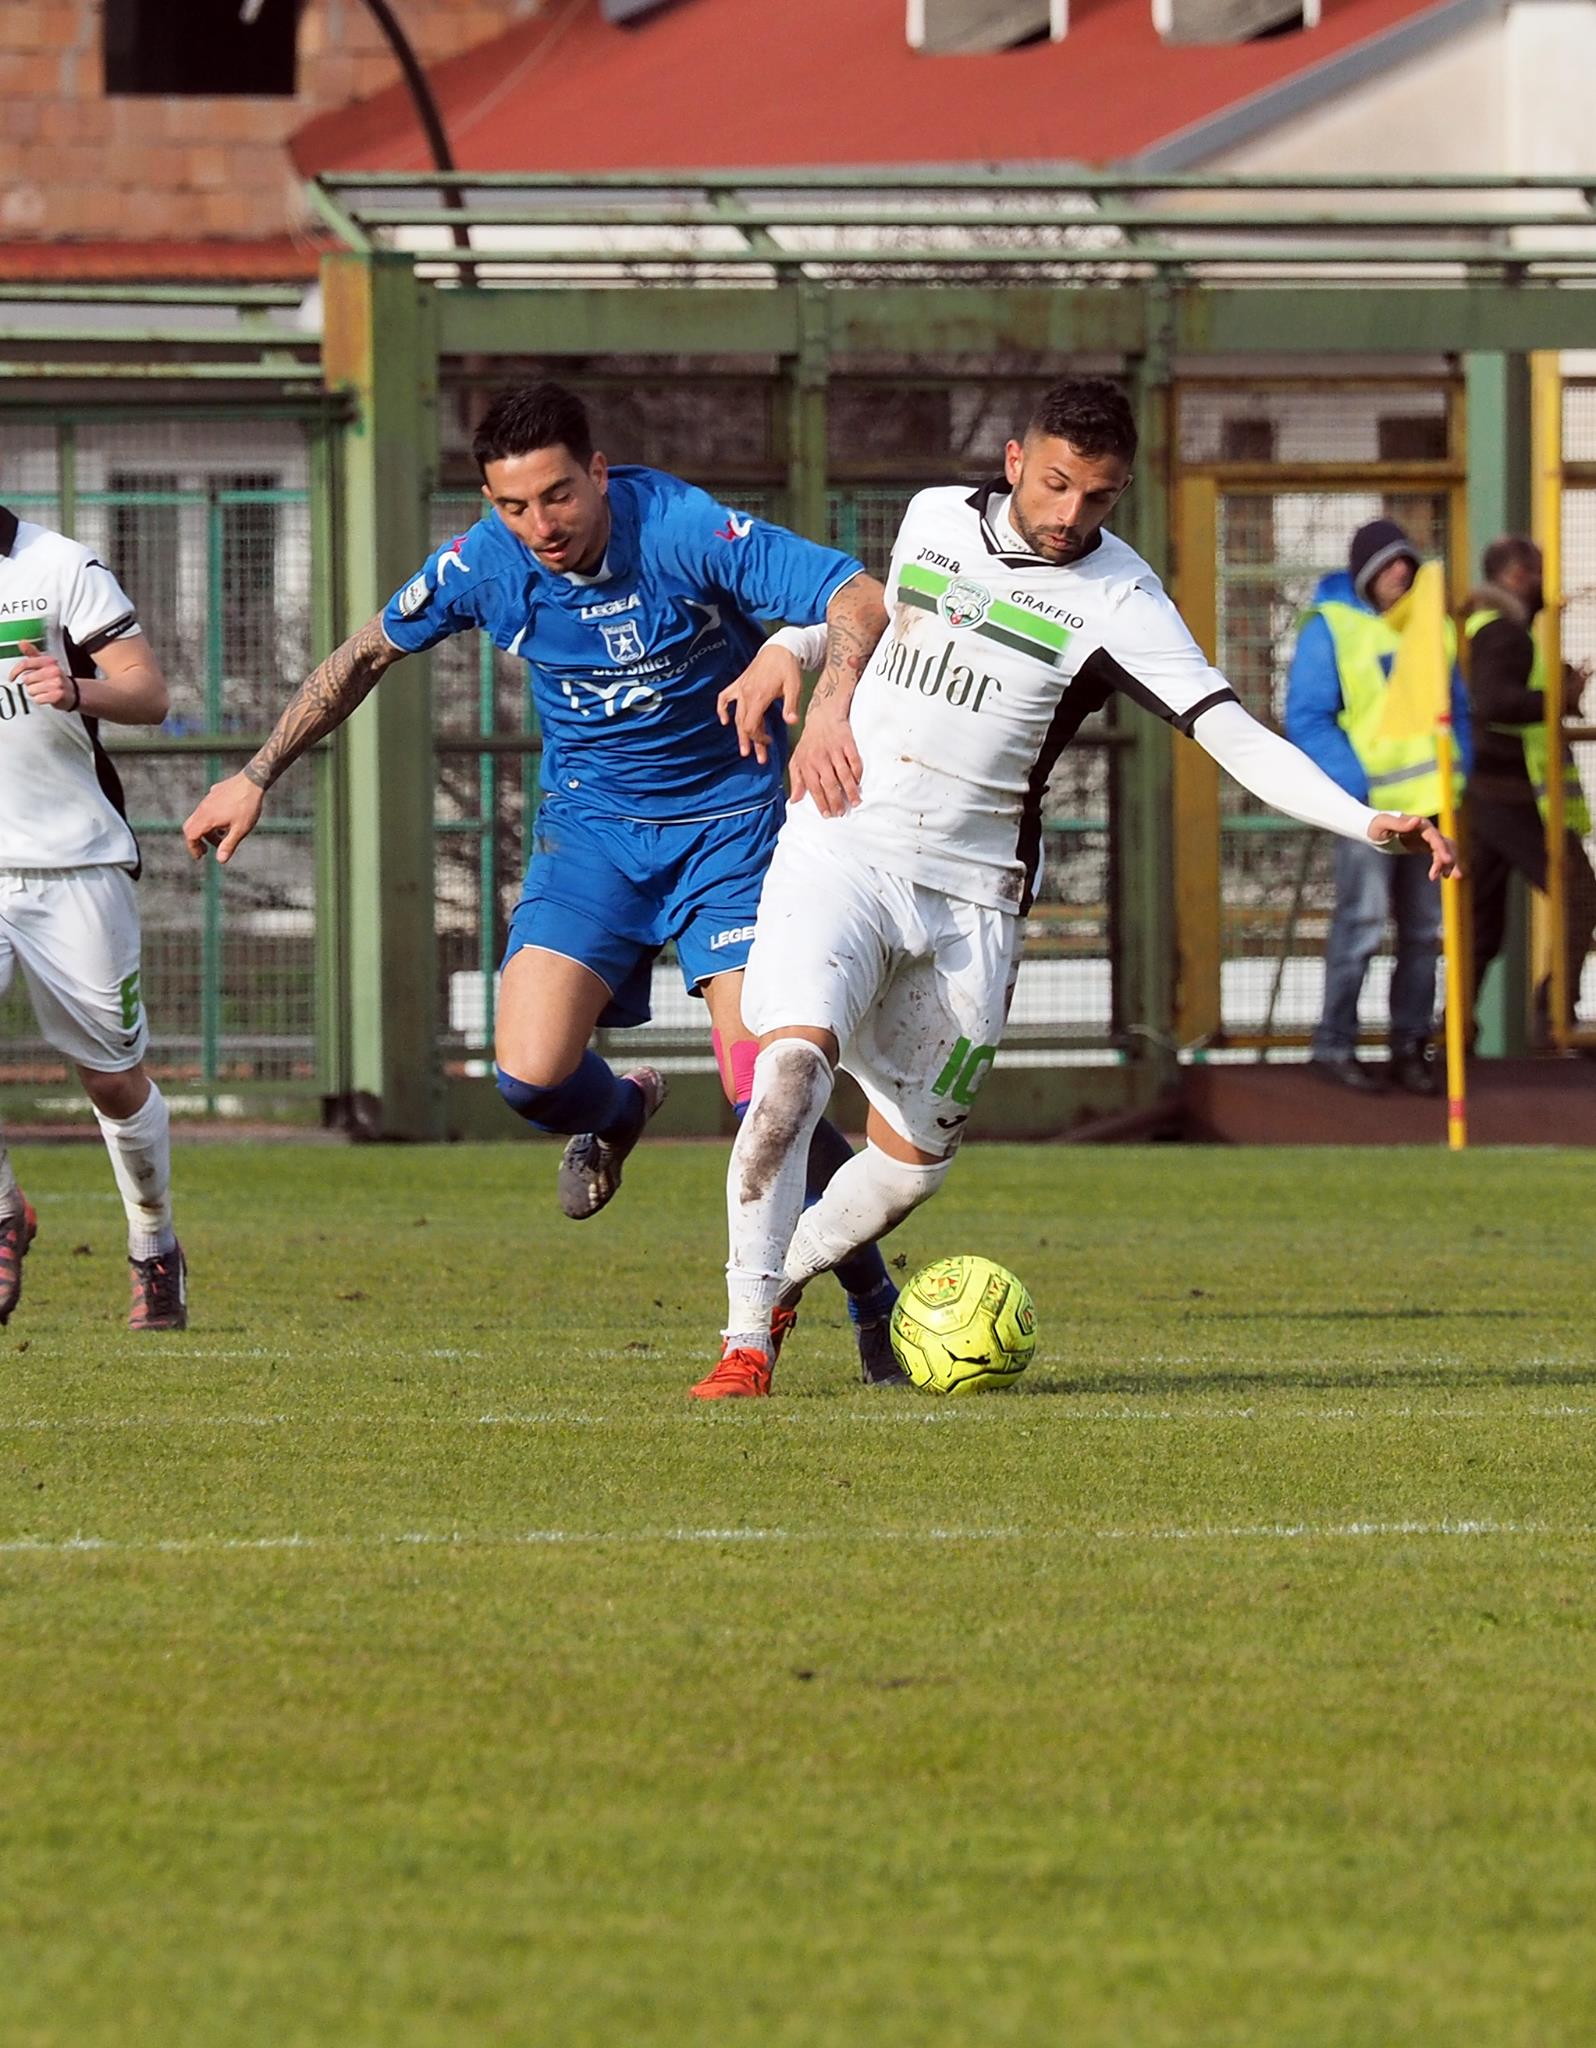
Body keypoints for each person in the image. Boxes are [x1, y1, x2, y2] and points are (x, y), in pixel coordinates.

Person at [693, 379, 1458, 1399]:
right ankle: (745, 1342)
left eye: (1097, 496)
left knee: (912, 1165)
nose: (1070, 514)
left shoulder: (1121, 602)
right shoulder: (933, 517)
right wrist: (792, 656)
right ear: (1015, 460)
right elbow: (869, 615)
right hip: (842, 849)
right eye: (1055, 484)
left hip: (975, 895)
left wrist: (1364, 818)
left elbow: (1232, 733)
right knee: (791, 1074)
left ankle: (785, 1276)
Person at [182, 381, 907, 1381]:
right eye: (514, 505)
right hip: (592, 838)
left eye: (559, 496)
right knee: (527, 1077)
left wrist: (819, 696)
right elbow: (364, 654)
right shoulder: (483, 563)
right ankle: (616, 1113)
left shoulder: (683, 528)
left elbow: (861, 596)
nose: (541, 525)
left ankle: (870, 1299)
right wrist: (256, 774)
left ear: (598, 472)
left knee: (768, 1096)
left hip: (731, 837)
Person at [0, 499, 187, 1330]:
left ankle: (154, 1244)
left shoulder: (58, 565)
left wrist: (74, 688)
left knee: (112, 1080)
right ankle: (3, 1213)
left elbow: (149, 693)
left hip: (73, 861)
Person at [1285, 517, 1471, 1096]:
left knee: (1423, 933)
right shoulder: (1331, 627)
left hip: (1430, 809)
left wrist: (1458, 773)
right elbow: (1308, 717)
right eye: (1388, 564)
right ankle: (1334, 1045)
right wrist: (1354, 793)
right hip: (1367, 813)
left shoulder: (1433, 627)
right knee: (1362, 924)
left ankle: (1410, 1048)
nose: (1401, 573)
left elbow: (1457, 708)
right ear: (1364, 572)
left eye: (1407, 563)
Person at [1462, 535, 1596, 1040]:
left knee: (1480, 921)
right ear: (1518, 576)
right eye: (1540, 572)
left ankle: (1455, 1029)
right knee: (1580, 893)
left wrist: (1554, 691)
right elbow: (1495, 700)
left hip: (1482, 792)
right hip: (1512, 796)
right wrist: (1556, 697)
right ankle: (1554, 1010)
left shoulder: (1479, 627)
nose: (1549, 586)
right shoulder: (1505, 633)